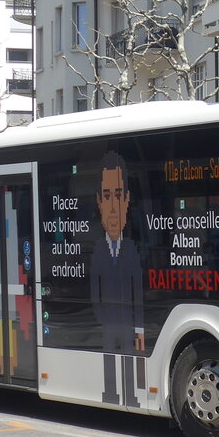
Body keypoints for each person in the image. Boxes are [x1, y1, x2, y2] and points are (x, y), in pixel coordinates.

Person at [90, 151, 145, 407]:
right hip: (109, 321)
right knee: (110, 356)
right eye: (107, 197)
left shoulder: (133, 249)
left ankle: (131, 395)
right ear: (99, 202)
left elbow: (138, 291)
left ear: (127, 201)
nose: (113, 207)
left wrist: (139, 326)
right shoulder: (98, 251)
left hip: (127, 320)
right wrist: (101, 318)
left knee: (130, 357)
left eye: (119, 196)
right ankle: (111, 394)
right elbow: (95, 290)